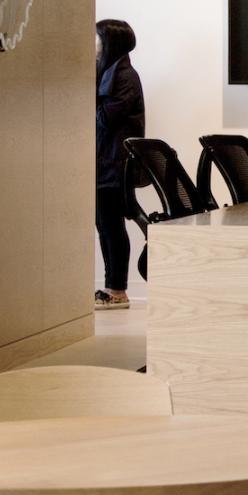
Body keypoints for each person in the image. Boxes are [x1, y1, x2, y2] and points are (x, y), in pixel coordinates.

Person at [94, 18, 144, 309]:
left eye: (98, 38)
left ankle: (117, 291)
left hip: (114, 165)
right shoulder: (112, 72)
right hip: (106, 163)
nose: (94, 44)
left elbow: (105, 119)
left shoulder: (123, 76)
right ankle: (112, 288)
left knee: (111, 227)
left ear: (110, 41)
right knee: (105, 225)